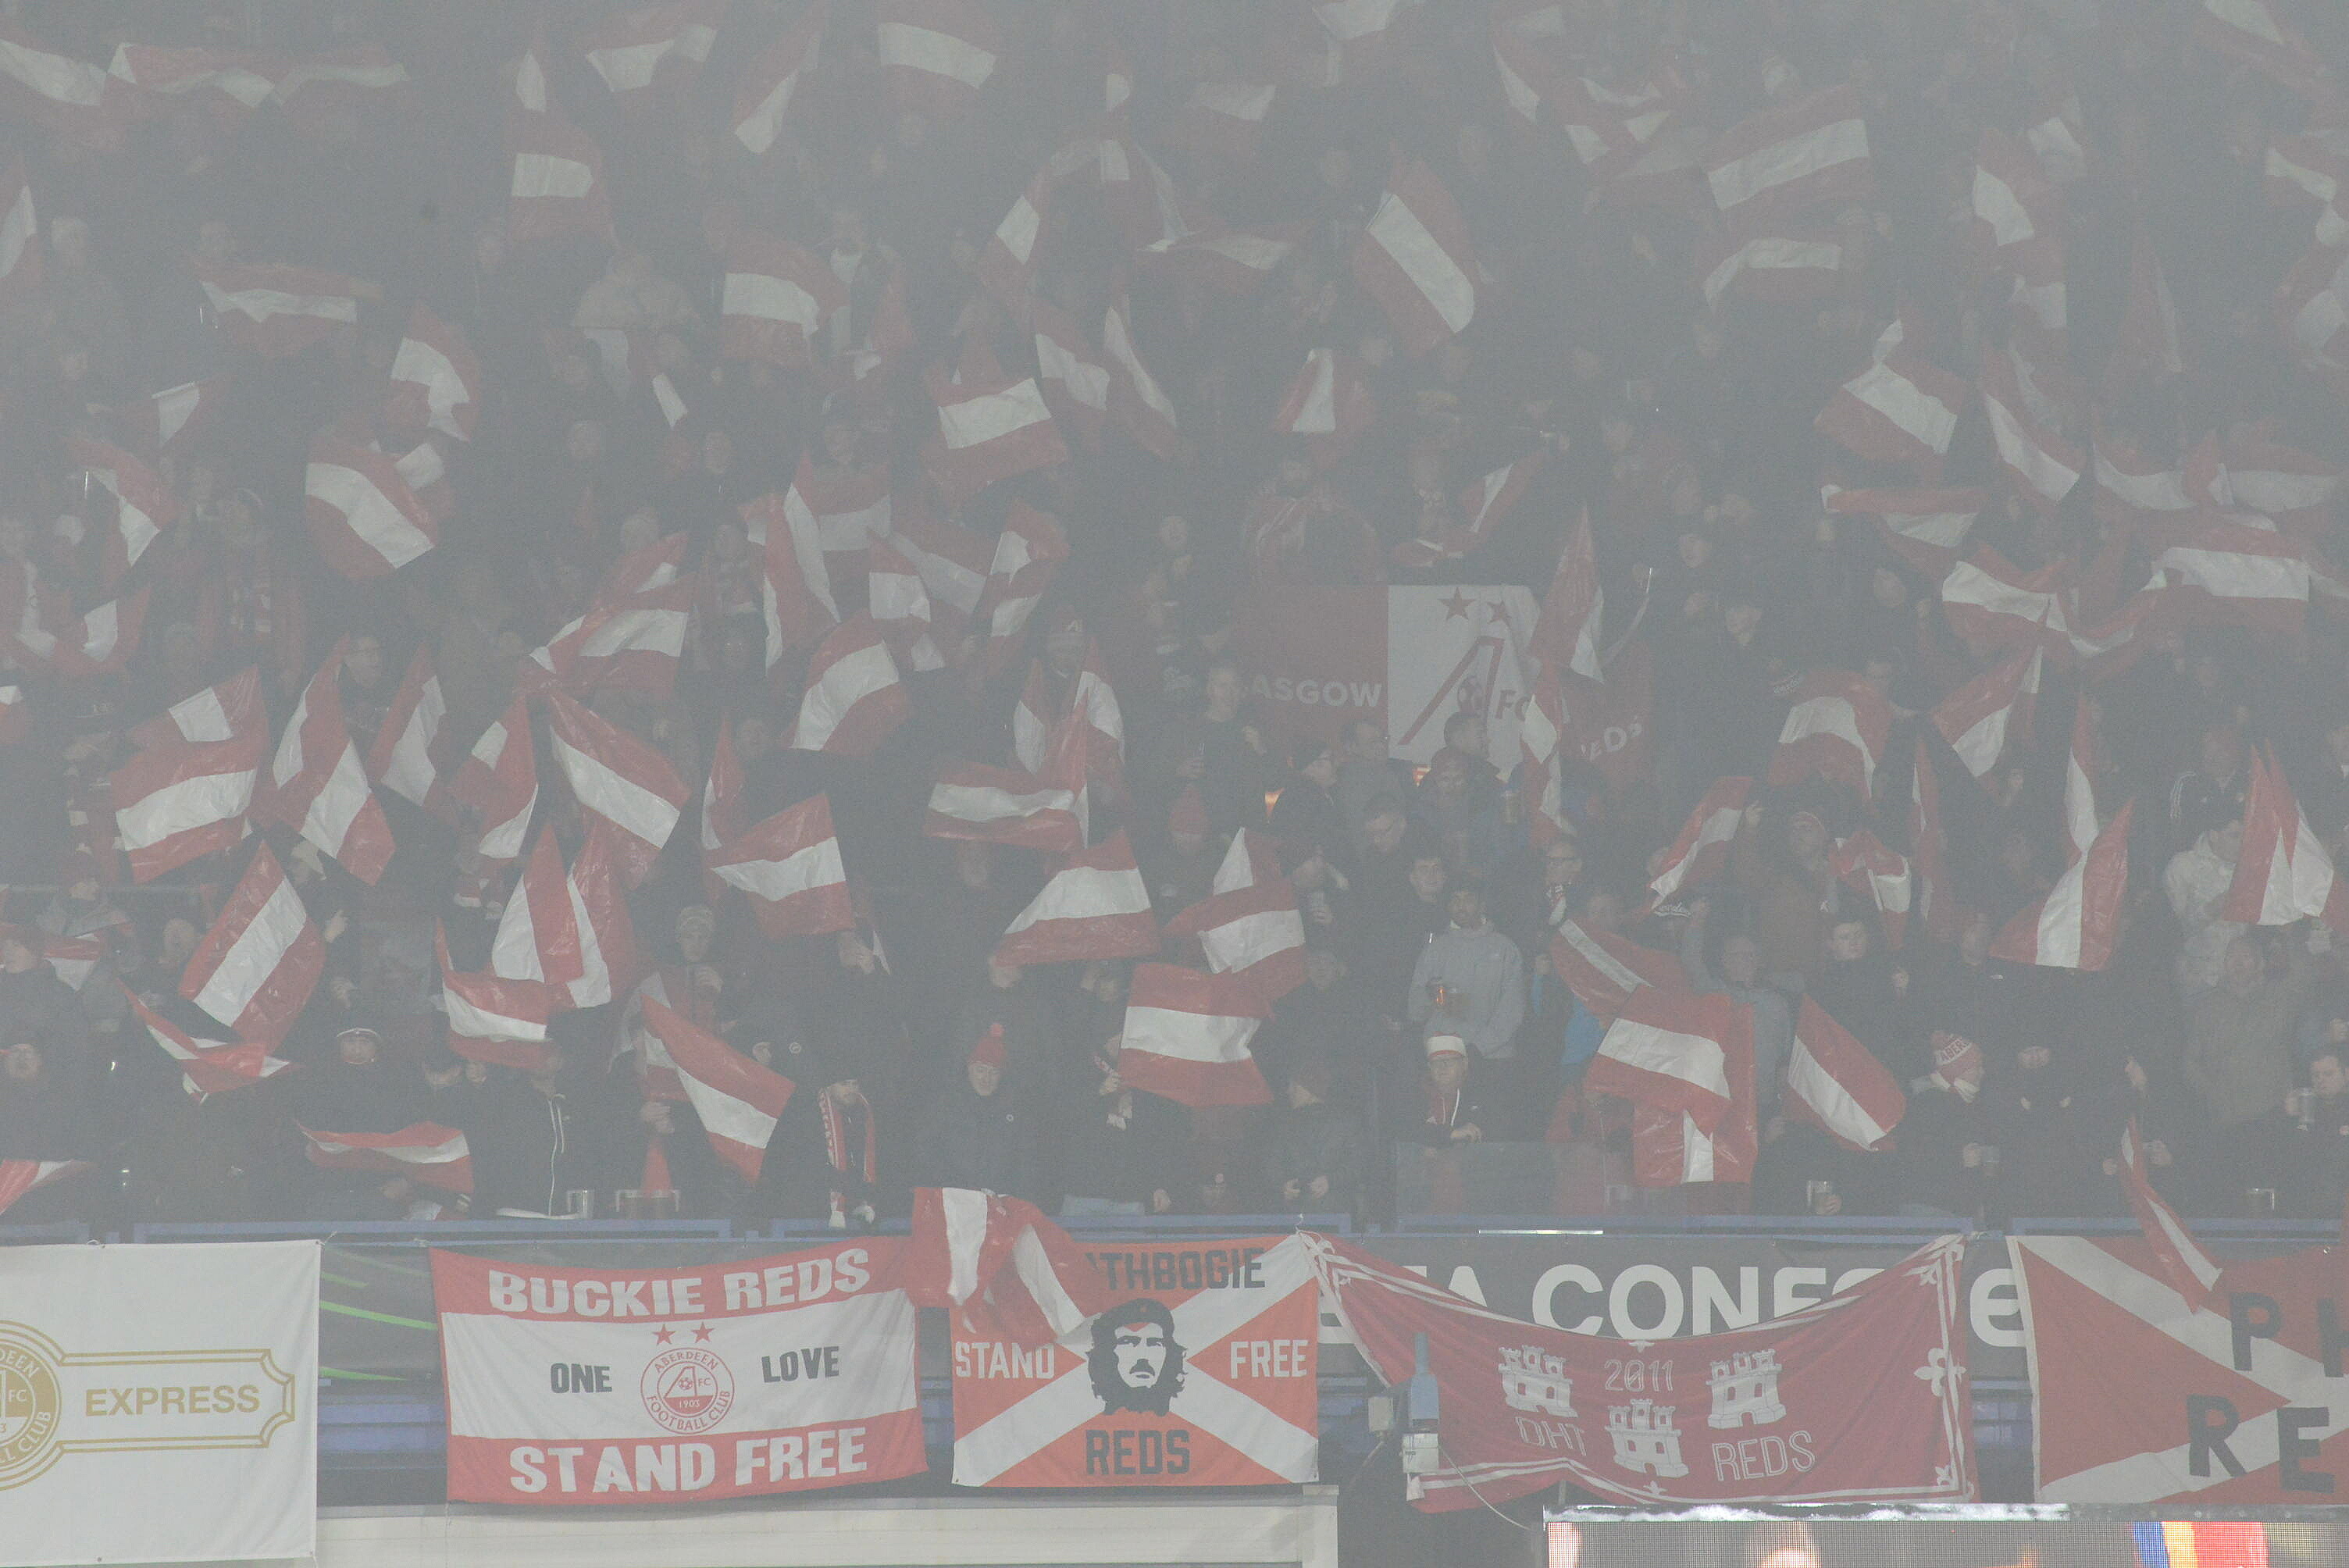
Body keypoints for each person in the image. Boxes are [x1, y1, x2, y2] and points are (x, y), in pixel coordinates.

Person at [1406, 882, 1527, 1128]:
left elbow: (1512, 1011)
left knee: (1489, 1133)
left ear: (1482, 905)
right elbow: (1415, 1012)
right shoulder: (1435, 948)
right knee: (1443, 1132)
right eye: (1455, 899)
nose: (1461, 906)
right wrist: (1429, 995)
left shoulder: (1505, 948)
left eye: (1468, 899)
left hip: (1492, 1060)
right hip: (1442, 1059)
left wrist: (1477, 1049)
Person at [913, 1028, 1040, 1203]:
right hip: (953, 1201)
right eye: (981, 1070)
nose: (986, 1079)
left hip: (1001, 1204)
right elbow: (927, 1152)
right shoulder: (946, 1106)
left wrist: (1015, 1201)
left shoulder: (1016, 1111)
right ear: (969, 1069)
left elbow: (1026, 1164)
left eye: (993, 1072)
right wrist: (959, 1189)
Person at [1261, 1054, 1368, 1215]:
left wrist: (1331, 1181)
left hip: (1325, 1218)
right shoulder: (1285, 1125)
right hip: (1310, 1216)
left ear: (1309, 1088)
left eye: (1293, 1085)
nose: (1288, 1091)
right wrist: (1283, 1185)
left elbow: (1361, 1163)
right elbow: (1272, 1165)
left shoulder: (1345, 1123)